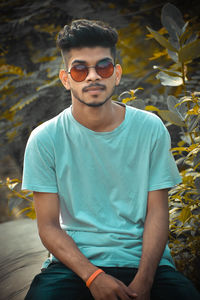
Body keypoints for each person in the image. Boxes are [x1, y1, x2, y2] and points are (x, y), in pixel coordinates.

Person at [22, 19, 200, 300]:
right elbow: (48, 227)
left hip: (146, 263)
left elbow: (157, 212)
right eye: (80, 69)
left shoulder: (149, 128)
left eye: (102, 67)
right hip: (73, 266)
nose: (92, 76)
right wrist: (93, 277)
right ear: (65, 78)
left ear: (116, 74)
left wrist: (145, 280)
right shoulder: (45, 138)